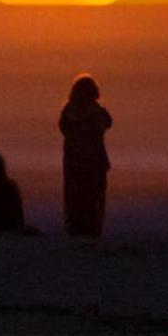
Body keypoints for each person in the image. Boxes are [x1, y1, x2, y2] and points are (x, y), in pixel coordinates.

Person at [58, 73, 112, 238]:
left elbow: (63, 128)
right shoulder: (96, 112)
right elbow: (108, 122)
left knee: (74, 200)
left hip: (73, 164)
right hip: (94, 163)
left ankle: (75, 230)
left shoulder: (67, 112)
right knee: (93, 201)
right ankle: (91, 232)